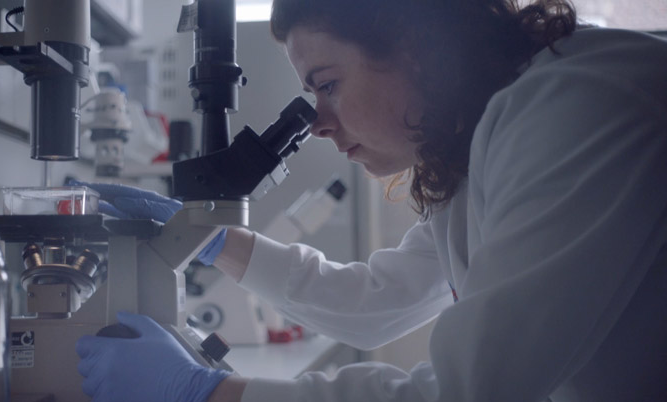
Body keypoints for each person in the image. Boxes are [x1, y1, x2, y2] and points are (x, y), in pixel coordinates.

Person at [75, 0, 667, 401]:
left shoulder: (578, 107)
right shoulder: (481, 145)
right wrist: (214, 240)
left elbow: (473, 392)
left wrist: (213, 393)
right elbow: (376, 301)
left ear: (417, 44)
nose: (320, 124)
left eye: (327, 84)